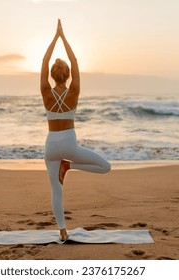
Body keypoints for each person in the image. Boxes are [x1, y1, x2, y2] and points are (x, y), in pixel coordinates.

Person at [40, 19, 111, 241]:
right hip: (69, 145)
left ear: (52, 75)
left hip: (51, 145)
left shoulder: (45, 90)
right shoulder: (75, 90)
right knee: (105, 167)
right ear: (68, 75)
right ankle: (69, 166)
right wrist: (64, 37)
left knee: (56, 191)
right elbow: (74, 59)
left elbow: (44, 60)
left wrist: (55, 37)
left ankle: (62, 230)